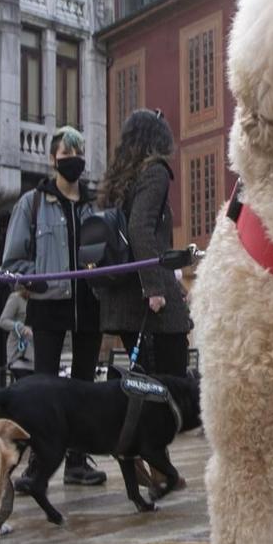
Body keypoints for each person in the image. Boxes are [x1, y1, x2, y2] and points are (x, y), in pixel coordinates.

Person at [2, 127, 106, 486]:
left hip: (89, 307)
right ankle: (37, 465)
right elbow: (12, 260)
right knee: (43, 391)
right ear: (52, 159)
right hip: (48, 307)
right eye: (66, 154)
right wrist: (36, 279)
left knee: (84, 389)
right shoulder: (31, 204)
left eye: (78, 154)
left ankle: (77, 461)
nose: (73, 161)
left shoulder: (95, 206)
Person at [96, 109, 192, 376]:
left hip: (122, 299)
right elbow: (140, 228)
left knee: (143, 384)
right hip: (149, 306)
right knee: (169, 381)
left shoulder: (118, 178)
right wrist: (154, 288)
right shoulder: (155, 172)